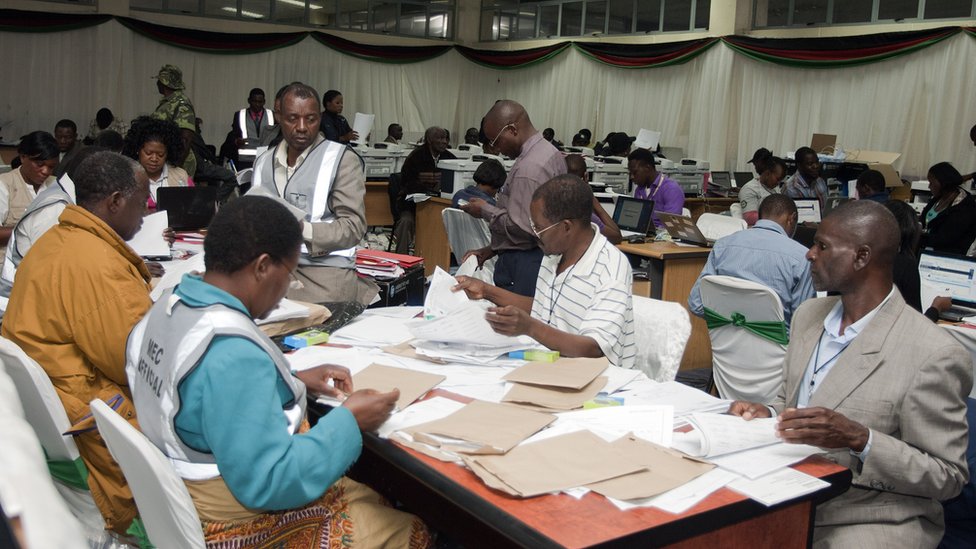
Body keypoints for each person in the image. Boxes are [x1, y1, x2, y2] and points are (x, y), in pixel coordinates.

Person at [125, 196, 431, 547]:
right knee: (407, 528)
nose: (288, 287)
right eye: (290, 274)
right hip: (229, 514)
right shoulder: (234, 354)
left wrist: (289, 379)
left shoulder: (168, 307)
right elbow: (271, 481)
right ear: (262, 267)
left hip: (175, 491)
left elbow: (194, 388)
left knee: (367, 498)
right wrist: (349, 421)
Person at [728, 200, 971, 547]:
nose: (809, 254)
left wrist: (861, 439)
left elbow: (947, 476)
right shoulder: (809, 316)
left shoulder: (932, 352)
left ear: (861, 257)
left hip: (871, 515)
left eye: (822, 246)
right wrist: (765, 412)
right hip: (789, 490)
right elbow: (792, 404)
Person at [2, 151, 152, 535]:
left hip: (57, 421)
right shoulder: (97, 264)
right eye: (142, 200)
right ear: (116, 201)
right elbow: (134, 364)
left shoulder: (57, 240)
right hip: (95, 430)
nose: (147, 210)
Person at [454, 174, 635, 368]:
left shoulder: (610, 267)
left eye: (538, 227)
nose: (533, 233)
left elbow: (592, 349)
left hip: (594, 379)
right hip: (548, 364)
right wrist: (486, 290)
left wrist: (529, 327)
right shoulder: (553, 254)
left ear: (566, 227)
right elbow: (543, 306)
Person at [249, 82, 375, 304]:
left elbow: (354, 227)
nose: (301, 127)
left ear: (320, 118)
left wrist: (302, 229)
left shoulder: (342, 160)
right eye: (292, 118)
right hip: (271, 272)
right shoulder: (263, 162)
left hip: (323, 276)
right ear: (279, 116)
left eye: (311, 119)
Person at [459, 100, 567, 297]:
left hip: (525, 263)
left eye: (496, 141)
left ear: (512, 129)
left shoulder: (530, 168)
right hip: (538, 257)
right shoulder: (548, 152)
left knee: (512, 322)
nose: (497, 149)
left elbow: (524, 228)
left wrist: (484, 210)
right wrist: (491, 249)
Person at [688, 194, 813, 328]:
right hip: (779, 345)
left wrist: (734, 323)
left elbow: (696, 304)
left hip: (726, 346)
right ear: (792, 218)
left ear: (760, 215)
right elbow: (802, 324)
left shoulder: (722, 245)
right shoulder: (803, 258)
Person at [393, 126, 455, 254]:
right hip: (412, 205)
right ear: (429, 140)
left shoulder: (450, 158)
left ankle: (436, 258)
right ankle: (401, 260)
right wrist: (427, 188)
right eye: (440, 138)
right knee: (406, 221)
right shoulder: (415, 157)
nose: (444, 141)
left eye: (445, 138)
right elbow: (407, 183)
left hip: (439, 206)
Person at [0, 131, 59, 258]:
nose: (45, 171)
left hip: (46, 261)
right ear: (22, 157)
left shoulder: (56, 185)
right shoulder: (5, 184)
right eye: (40, 164)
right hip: (10, 266)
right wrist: (32, 229)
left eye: (51, 167)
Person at [123, 116, 191, 210]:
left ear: (168, 153)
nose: (154, 159)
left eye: (160, 154)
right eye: (148, 153)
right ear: (137, 150)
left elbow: (192, 207)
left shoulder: (181, 176)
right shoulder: (127, 177)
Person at [920, 162, 976, 255]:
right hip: (927, 249)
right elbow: (924, 220)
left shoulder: (965, 207)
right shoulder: (938, 197)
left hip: (948, 255)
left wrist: (918, 236)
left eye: (931, 182)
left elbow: (945, 238)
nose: (929, 186)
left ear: (942, 182)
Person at [152, 63, 197, 177]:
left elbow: (185, 138)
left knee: (176, 194)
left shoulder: (181, 104)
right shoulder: (168, 103)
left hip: (177, 163)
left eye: (159, 80)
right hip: (165, 160)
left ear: (164, 83)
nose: (157, 83)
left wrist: (175, 167)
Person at [565, 153, 622, 244]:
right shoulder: (582, 213)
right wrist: (593, 200)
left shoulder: (552, 201)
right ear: (586, 176)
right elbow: (616, 237)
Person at [628, 147, 683, 228]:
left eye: (635, 172)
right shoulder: (639, 190)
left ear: (647, 168)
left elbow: (670, 225)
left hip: (663, 237)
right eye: (630, 173)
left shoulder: (671, 189)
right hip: (644, 233)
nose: (631, 177)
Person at [227, 87, 275, 169]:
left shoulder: (272, 115)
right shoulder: (239, 115)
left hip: (266, 159)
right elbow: (233, 134)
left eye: (260, 102)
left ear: (264, 102)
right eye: (254, 101)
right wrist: (236, 141)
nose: (257, 104)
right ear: (249, 100)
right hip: (245, 161)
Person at [739, 156, 786, 226]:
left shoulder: (775, 187)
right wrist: (778, 217)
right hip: (758, 230)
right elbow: (750, 218)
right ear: (767, 174)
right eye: (777, 179)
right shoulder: (750, 189)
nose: (778, 183)